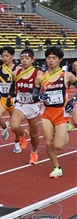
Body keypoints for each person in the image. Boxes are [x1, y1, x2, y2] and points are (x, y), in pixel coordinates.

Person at [38, 47, 75, 178]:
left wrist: (73, 100)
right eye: (48, 58)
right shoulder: (41, 76)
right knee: (48, 142)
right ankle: (56, 167)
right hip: (47, 112)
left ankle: (66, 129)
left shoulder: (67, 75)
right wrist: (38, 97)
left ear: (60, 60)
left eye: (54, 58)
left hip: (61, 112)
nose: (51, 61)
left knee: (58, 146)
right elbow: (34, 94)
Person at [9, 49, 42, 163]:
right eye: (22, 58)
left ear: (33, 60)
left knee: (34, 135)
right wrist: (10, 97)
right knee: (14, 126)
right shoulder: (16, 73)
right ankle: (23, 134)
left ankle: (34, 152)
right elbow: (13, 86)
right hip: (20, 105)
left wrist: (37, 93)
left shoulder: (38, 74)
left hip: (33, 106)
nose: (24, 61)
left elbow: (44, 89)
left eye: (27, 59)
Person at [0, 47, 20, 149]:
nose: (5, 58)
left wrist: (11, 96)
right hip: (2, 99)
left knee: (15, 126)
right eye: (3, 56)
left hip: (13, 99)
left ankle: (17, 143)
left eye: (7, 56)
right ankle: (4, 126)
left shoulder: (18, 69)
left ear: (12, 56)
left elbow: (17, 85)